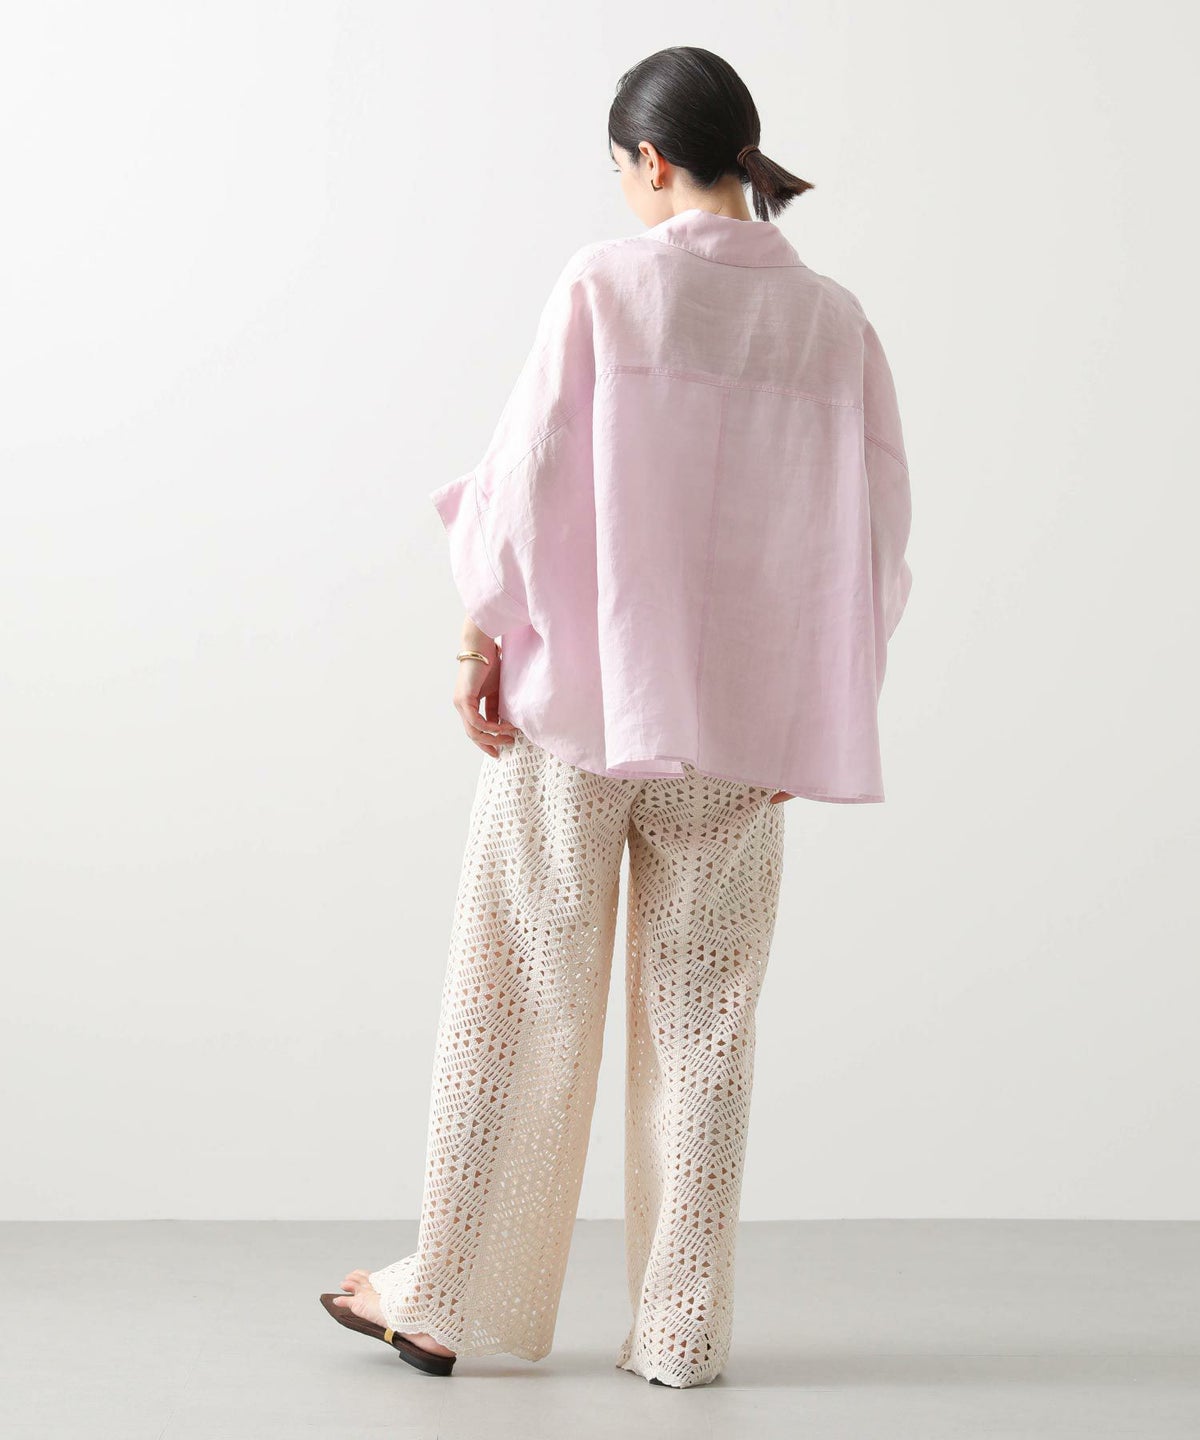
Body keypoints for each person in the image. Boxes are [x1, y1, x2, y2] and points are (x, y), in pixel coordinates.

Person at [321, 44, 913, 1389]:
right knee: (705, 1024)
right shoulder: (834, 323)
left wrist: (480, 636)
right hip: (737, 739)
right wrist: (818, 707)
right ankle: (681, 1332)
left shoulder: (606, 284)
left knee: (517, 995)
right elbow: (881, 529)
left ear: (648, 160)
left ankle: (447, 1300)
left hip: (580, 717)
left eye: (622, 170)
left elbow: (526, 482)